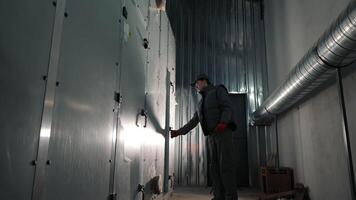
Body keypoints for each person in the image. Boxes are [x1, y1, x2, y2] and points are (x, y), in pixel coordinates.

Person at [170, 73, 238, 200]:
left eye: (196, 83)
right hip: (212, 136)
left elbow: (227, 107)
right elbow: (194, 121)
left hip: (223, 133)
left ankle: (231, 197)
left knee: (226, 166)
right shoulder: (201, 103)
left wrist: (223, 122)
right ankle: (219, 197)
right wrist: (178, 132)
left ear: (204, 81)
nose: (195, 86)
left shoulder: (218, 90)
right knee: (214, 168)